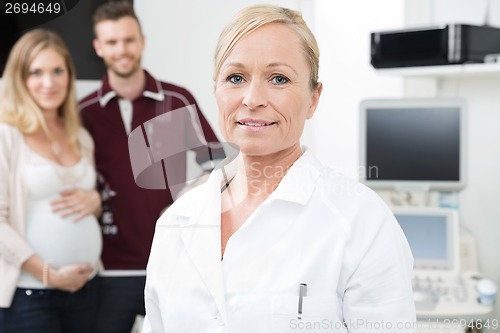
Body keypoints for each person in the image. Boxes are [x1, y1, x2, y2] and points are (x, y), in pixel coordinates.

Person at [142, 4, 416, 333]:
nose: (253, 98)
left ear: (313, 98)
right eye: (235, 77)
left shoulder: (362, 221)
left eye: (279, 78)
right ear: (216, 89)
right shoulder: (176, 222)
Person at [78, 2, 225, 332]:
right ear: (98, 48)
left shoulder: (176, 99)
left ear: (142, 41)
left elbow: (219, 167)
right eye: (112, 43)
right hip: (109, 269)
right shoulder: (83, 111)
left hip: (172, 261)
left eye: (129, 40)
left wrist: (185, 201)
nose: (122, 50)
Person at [0, 29, 102, 332]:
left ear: (69, 75)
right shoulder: (7, 134)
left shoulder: (80, 136)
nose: (49, 83)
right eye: (36, 72)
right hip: (29, 295)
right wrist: (48, 274)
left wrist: (95, 201)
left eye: (58, 71)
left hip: (86, 289)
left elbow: (85, 206)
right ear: (21, 78)